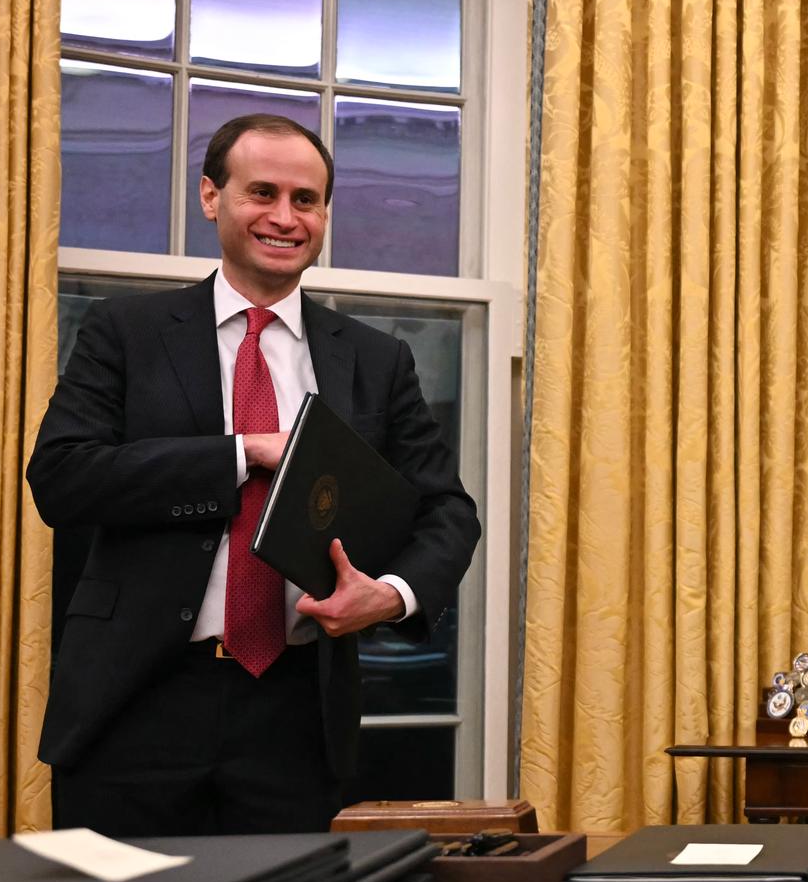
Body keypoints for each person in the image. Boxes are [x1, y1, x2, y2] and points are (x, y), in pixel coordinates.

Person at [28, 114, 480, 837]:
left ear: (326, 214)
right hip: (135, 704)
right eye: (261, 192)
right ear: (211, 197)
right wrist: (244, 452)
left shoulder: (375, 360)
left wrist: (390, 597)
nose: (284, 217)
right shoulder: (127, 333)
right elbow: (63, 477)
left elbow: (447, 511)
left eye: (306, 200)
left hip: (299, 714)